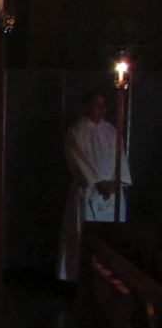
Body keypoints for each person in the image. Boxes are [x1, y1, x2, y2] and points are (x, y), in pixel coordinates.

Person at [57, 90, 131, 281]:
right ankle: (81, 277)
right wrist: (97, 180)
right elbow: (77, 158)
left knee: (111, 235)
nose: (102, 110)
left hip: (112, 193)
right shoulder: (77, 131)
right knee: (84, 233)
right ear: (86, 106)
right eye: (97, 105)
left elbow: (120, 157)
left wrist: (116, 180)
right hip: (89, 191)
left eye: (104, 105)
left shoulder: (111, 131)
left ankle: (109, 276)